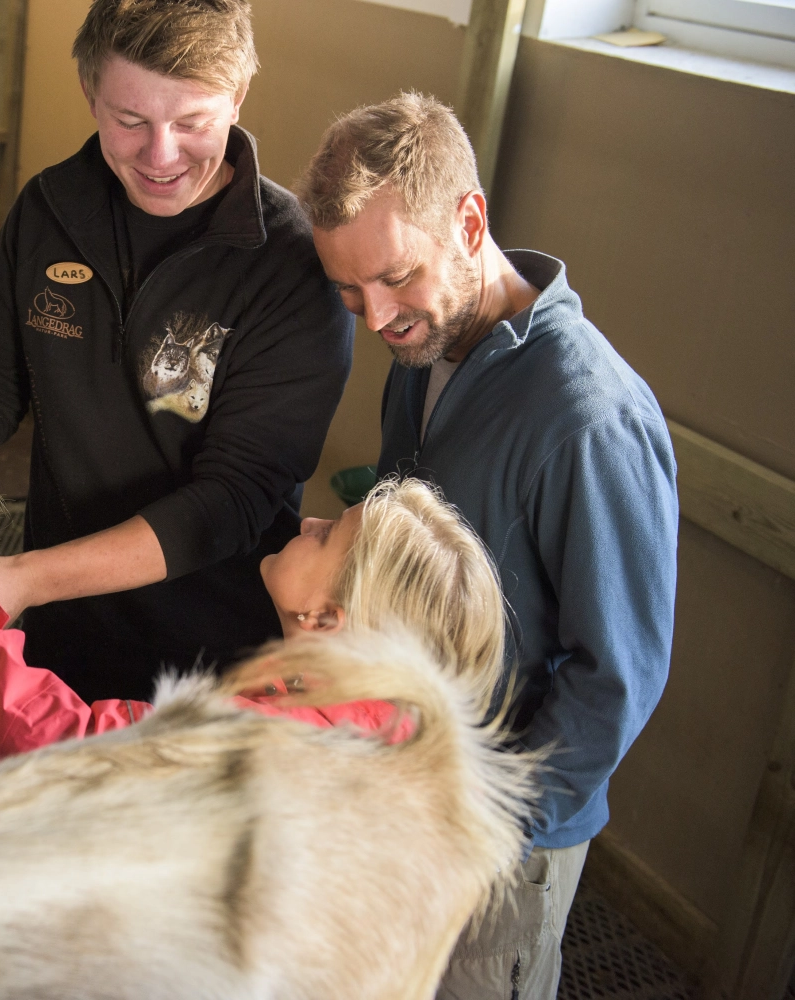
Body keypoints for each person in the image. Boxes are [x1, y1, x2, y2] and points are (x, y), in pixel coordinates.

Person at [298, 93, 679, 999]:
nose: (376, 317)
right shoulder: (421, 356)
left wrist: (485, 827)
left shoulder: (592, 419)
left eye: (396, 277)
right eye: (349, 292)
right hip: (404, 789)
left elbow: (616, 676)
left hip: (496, 840)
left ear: (469, 221)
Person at [0, 0, 353, 704]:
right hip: (61, 639)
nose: (160, 157)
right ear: (90, 93)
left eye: (192, 123)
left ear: (238, 96)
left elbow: (231, 500)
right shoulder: (49, 210)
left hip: (212, 660)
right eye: (129, 120)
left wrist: (28, 576)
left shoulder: (289, 265)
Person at [0, 478, 502, 765]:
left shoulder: (262, 744)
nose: (310, 521)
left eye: (327, 535)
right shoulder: (377, 737)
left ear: (323, 617)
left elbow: (69, 747)